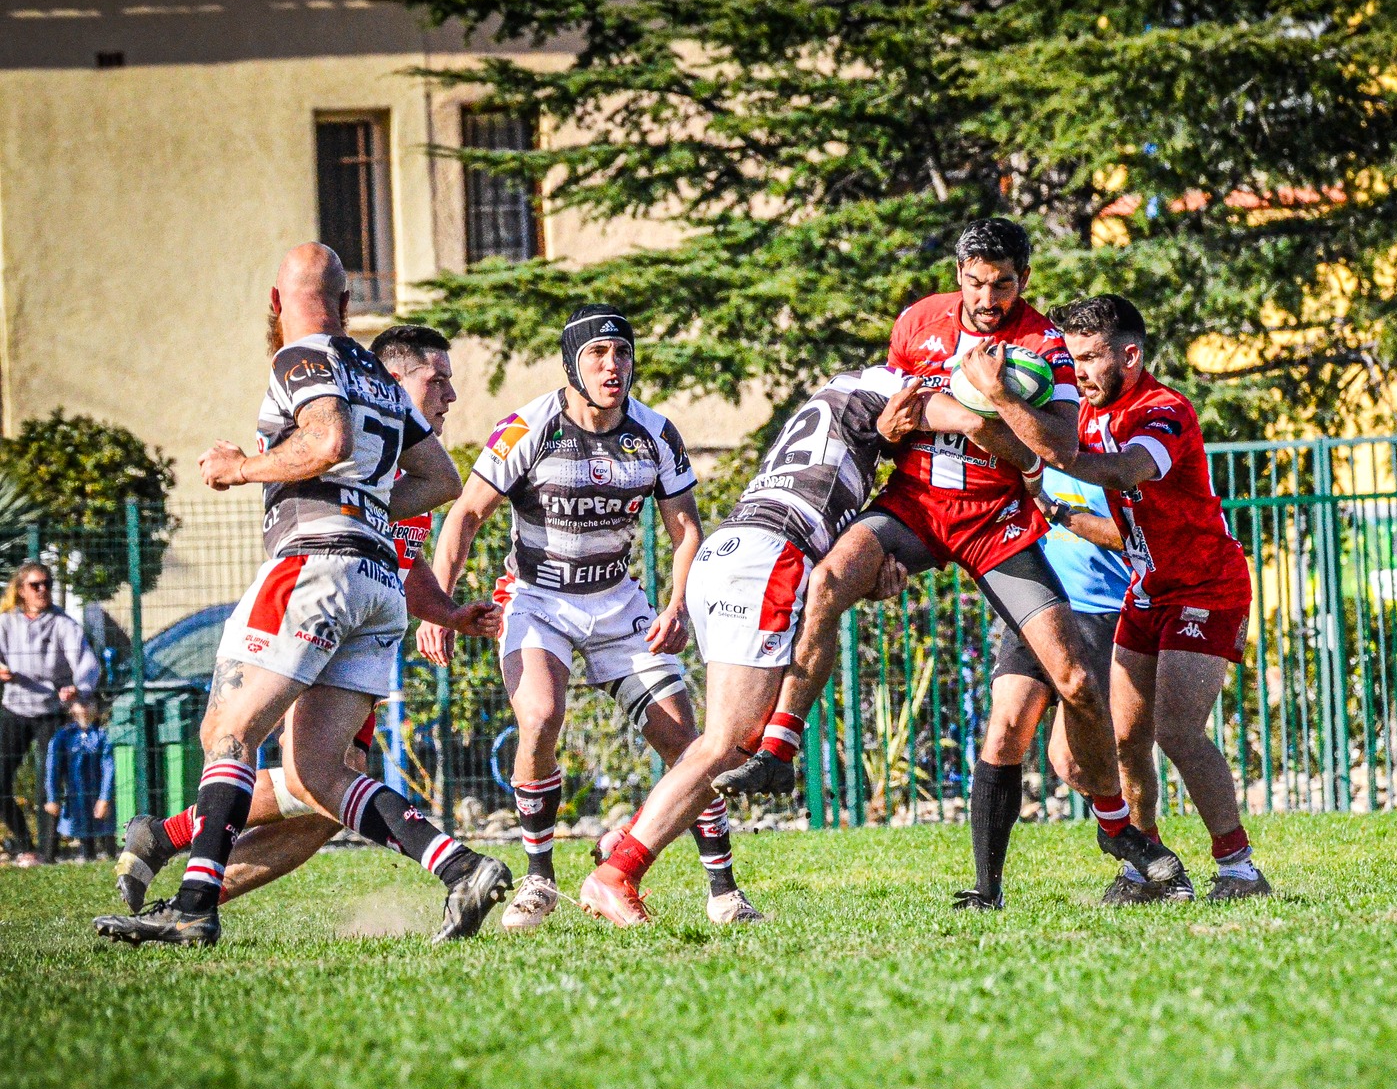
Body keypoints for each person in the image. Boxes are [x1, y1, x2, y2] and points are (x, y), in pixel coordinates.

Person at [712, 219, 1189, 895]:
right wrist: (890, 427)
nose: (986, 298)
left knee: (1078, 681)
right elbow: (894, 415)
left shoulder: (1043, 345)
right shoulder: (918, 323)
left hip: (995, 523)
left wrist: (992, 399)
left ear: (1023, 280)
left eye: (1001, 284)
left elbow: (1048, 451)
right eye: (974, 283)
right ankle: (779, 751)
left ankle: (1115, 825)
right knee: (827, 581)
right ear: (957, 277)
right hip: (914, 506)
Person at [94, 243, 508, 947]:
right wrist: (368, 502)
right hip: (375, 585)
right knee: (319, 773)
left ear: (278, 304)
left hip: (314, 565)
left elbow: (324, 439)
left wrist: (240, 468)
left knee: (230, 734)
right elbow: (440, 479)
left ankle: (194, 904)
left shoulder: (300, 357)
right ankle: (461, 867)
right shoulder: (375, 376)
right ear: (348, 305)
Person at [426, 305, 739, 929]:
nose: (612, 365)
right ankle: (539, 881)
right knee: (539, 717)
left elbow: (686, 531)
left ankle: (724, 892)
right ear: (572, 363)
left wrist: (678, 605)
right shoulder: (526, 428)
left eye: (621, 353)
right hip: (537, 600)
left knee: (692, 747)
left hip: (620, 604)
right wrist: (438, 604)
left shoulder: (654, 432)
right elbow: (464, 516)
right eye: (596, 354)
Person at [578, 367, 921, 919]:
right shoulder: (885, 394)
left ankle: (634, 836)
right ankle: (618, 872)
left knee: (729, 739)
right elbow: (920, 412)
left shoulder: (838, 396)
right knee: (728, 745)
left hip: (739, 553)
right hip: (766, 559)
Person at [1017, 295, 1270, 903]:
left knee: (1178, 731)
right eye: (1070, 358)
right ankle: (1151, 868)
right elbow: (1130, 531)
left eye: (1089, 358)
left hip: (1208, 586)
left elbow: (1130, 470)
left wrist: (1051, 451)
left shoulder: (1164, 410)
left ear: (1129, 355)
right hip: (1150, 588)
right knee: (1123, 741)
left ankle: (1239, 870)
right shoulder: (1085, 413)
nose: (1075, 372)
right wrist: (1064, 514)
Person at [951, 442, 1133, 911]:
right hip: (1036, 606)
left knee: (1069, 763)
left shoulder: (1114, 454)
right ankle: (986, 890)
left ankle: (1136, 849)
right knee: (1005, 727)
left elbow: (1134, 535)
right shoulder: (1025, 448)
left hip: (1102, 614)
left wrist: (1057, 512)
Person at [0, 561, 102, 866]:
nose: (42, 589)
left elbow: (86, 664)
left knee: (49, 782)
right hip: (14, 707)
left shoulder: (63, 624)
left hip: (51, 712)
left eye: (46, 583)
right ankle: (23, 845)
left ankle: (47, 853)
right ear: (21, 591)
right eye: (35, 585)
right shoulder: (6, 623)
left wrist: (78, 688)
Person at [44, 695, 115, 861]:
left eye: (89, 702)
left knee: (105, 826)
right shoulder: (62, 736)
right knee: (82, 827)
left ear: (97, 709)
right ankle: (87, 857)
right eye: (79, 703)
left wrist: (105, 798)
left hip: (98, 792)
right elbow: (52, 768)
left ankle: (111, 858)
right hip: (75, 794)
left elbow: (108, 767)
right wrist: (52, 797)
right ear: (71, 709)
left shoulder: (102, 736)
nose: (84, 706)